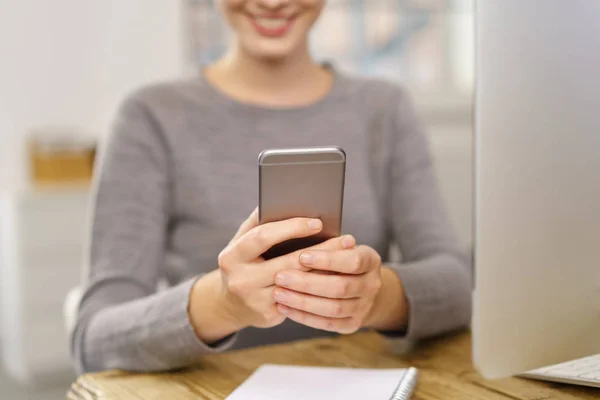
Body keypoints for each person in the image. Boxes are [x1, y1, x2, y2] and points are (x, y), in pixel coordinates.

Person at [70, 0, 472, 374]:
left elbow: (457, 284)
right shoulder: (149, 117)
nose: (273, 1)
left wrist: (376, 296)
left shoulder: (385, 107)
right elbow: (95, 338)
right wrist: (222, 305)